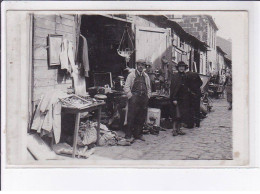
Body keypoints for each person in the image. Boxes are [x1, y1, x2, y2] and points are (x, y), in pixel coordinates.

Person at [124, 59, 151, 141]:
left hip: (143, 98)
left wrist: (148, 96)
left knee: (141, 117)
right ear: (137, 66)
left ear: (144, 67)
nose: (140, 66)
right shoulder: (131, 75)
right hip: (134, 97)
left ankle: (138, 134)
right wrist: (130, 96)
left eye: (142, 65)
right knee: (131, 116)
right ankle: (128, 135)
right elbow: (126, 87)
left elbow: (149, 87)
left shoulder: (146, 76)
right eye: (139, 65)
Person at [170, 61, 190, 136]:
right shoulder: (175, 76)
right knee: (176, 115)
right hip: (176, 98)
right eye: (180, 67)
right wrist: (174, 98)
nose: (181, 68)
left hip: (183, 98)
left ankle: (179, 129)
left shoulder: (185, 76)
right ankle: (174, 129)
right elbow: (173, 88)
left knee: (181, 114)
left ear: (185, 68)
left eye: (183, 67)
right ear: (178, 68)